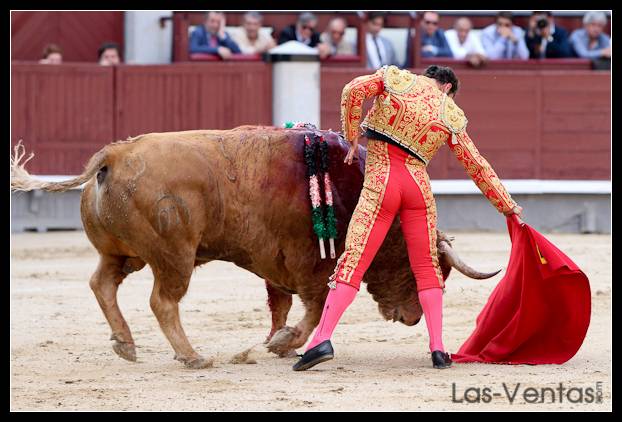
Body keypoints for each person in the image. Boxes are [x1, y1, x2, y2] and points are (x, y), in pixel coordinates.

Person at [293, 64, 522, 371]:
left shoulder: (396, 79)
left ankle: (322, 339)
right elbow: (476, 165)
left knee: (354, 261)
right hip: (418, 188)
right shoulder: (450, 112)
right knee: (427, 267)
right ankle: (438, 348)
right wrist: (507, 206)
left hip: (382, 179)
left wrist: (351, 138)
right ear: (447, 88)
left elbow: (353, 90)